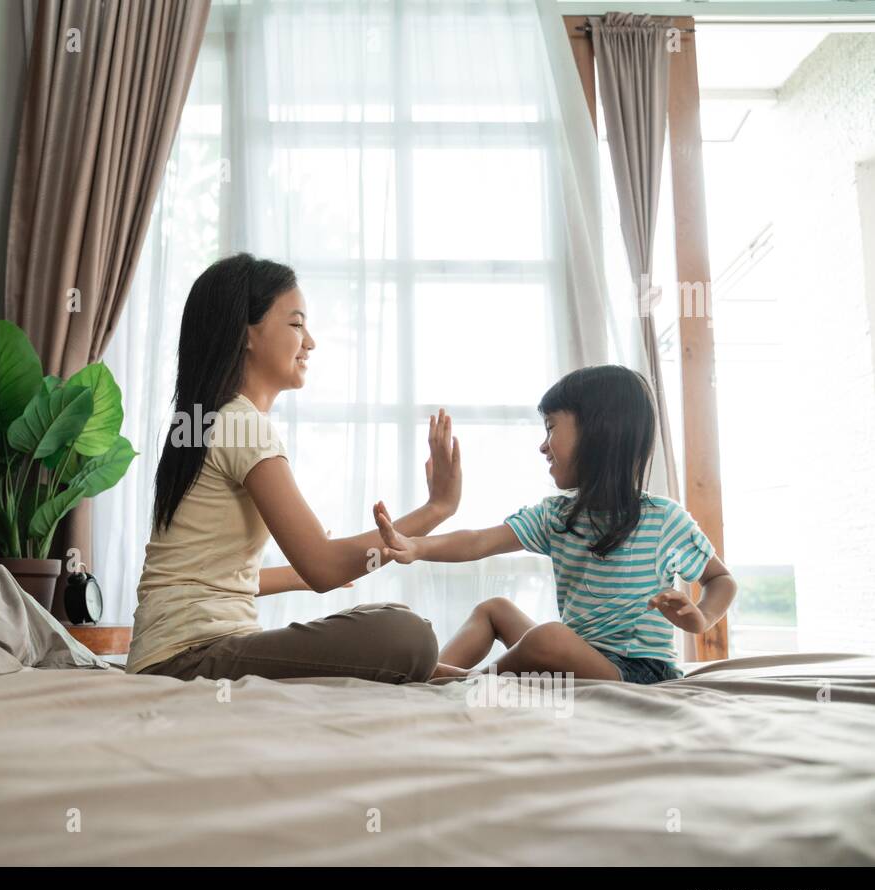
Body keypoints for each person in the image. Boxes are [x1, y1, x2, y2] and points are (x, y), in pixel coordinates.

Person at [127, 253, 459, 683]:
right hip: (189, 659)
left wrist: (306, 575)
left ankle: (470, 678)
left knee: (400, 632)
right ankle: (459, 674)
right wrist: (438, 508)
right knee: (407, 633)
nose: (310, 342)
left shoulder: (210, 420)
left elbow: (226, 577)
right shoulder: (241, 425)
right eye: (297, 324)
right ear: (246, 334)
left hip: (173, 656)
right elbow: (323, 568)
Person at [373, 365, 737, 684]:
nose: (543, 446)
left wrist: (701, 616)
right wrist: (418, 546)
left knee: (550, 638)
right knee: (494, 609)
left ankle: (465, 682)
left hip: (637, 672)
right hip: (576, 654)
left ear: (599, 433)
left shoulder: (663, 519)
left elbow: (720, 580)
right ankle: (432, 677)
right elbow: (479, 541)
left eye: (551, 429)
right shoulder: (557, 515)